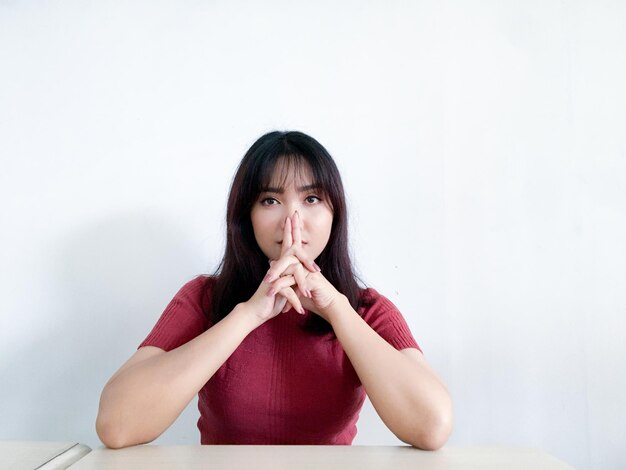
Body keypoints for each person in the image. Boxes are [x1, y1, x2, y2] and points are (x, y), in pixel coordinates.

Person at [95, 130, 453, 450]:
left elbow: (432, 427)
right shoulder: (205, 299)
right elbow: (116, 425)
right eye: (270, 200)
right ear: (245, 216)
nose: (292, 220)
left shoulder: (366, 308)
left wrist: (336, 309)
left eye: (311, 199)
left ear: (335, 214)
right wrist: (250, 313)